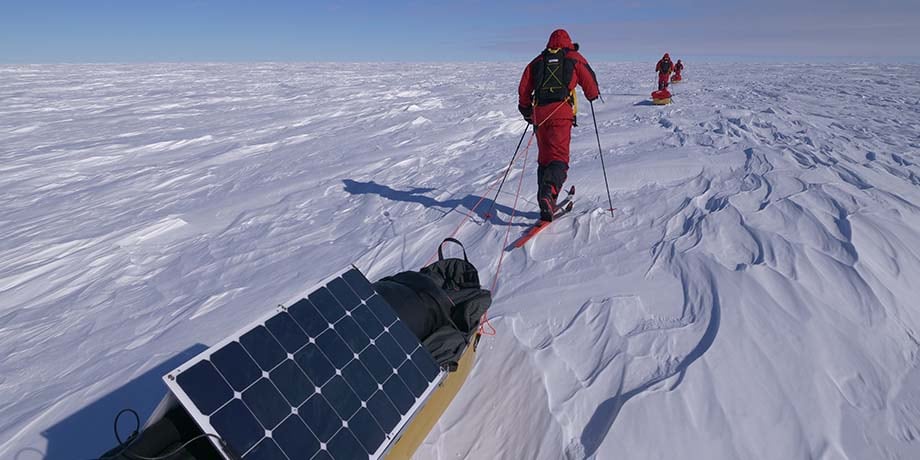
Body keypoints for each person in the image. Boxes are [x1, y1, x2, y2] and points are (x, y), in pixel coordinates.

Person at [518, 29, 600, 222]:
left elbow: (524, 88)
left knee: (545, 158)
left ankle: (545, 201)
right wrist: (592, 95)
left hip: (540, 114)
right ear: (568, 42)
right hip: (561, 114)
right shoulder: (573, 57)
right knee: (559, 157)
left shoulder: (538, 61)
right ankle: (548, 194)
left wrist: (525, 109)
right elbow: (591, 85)